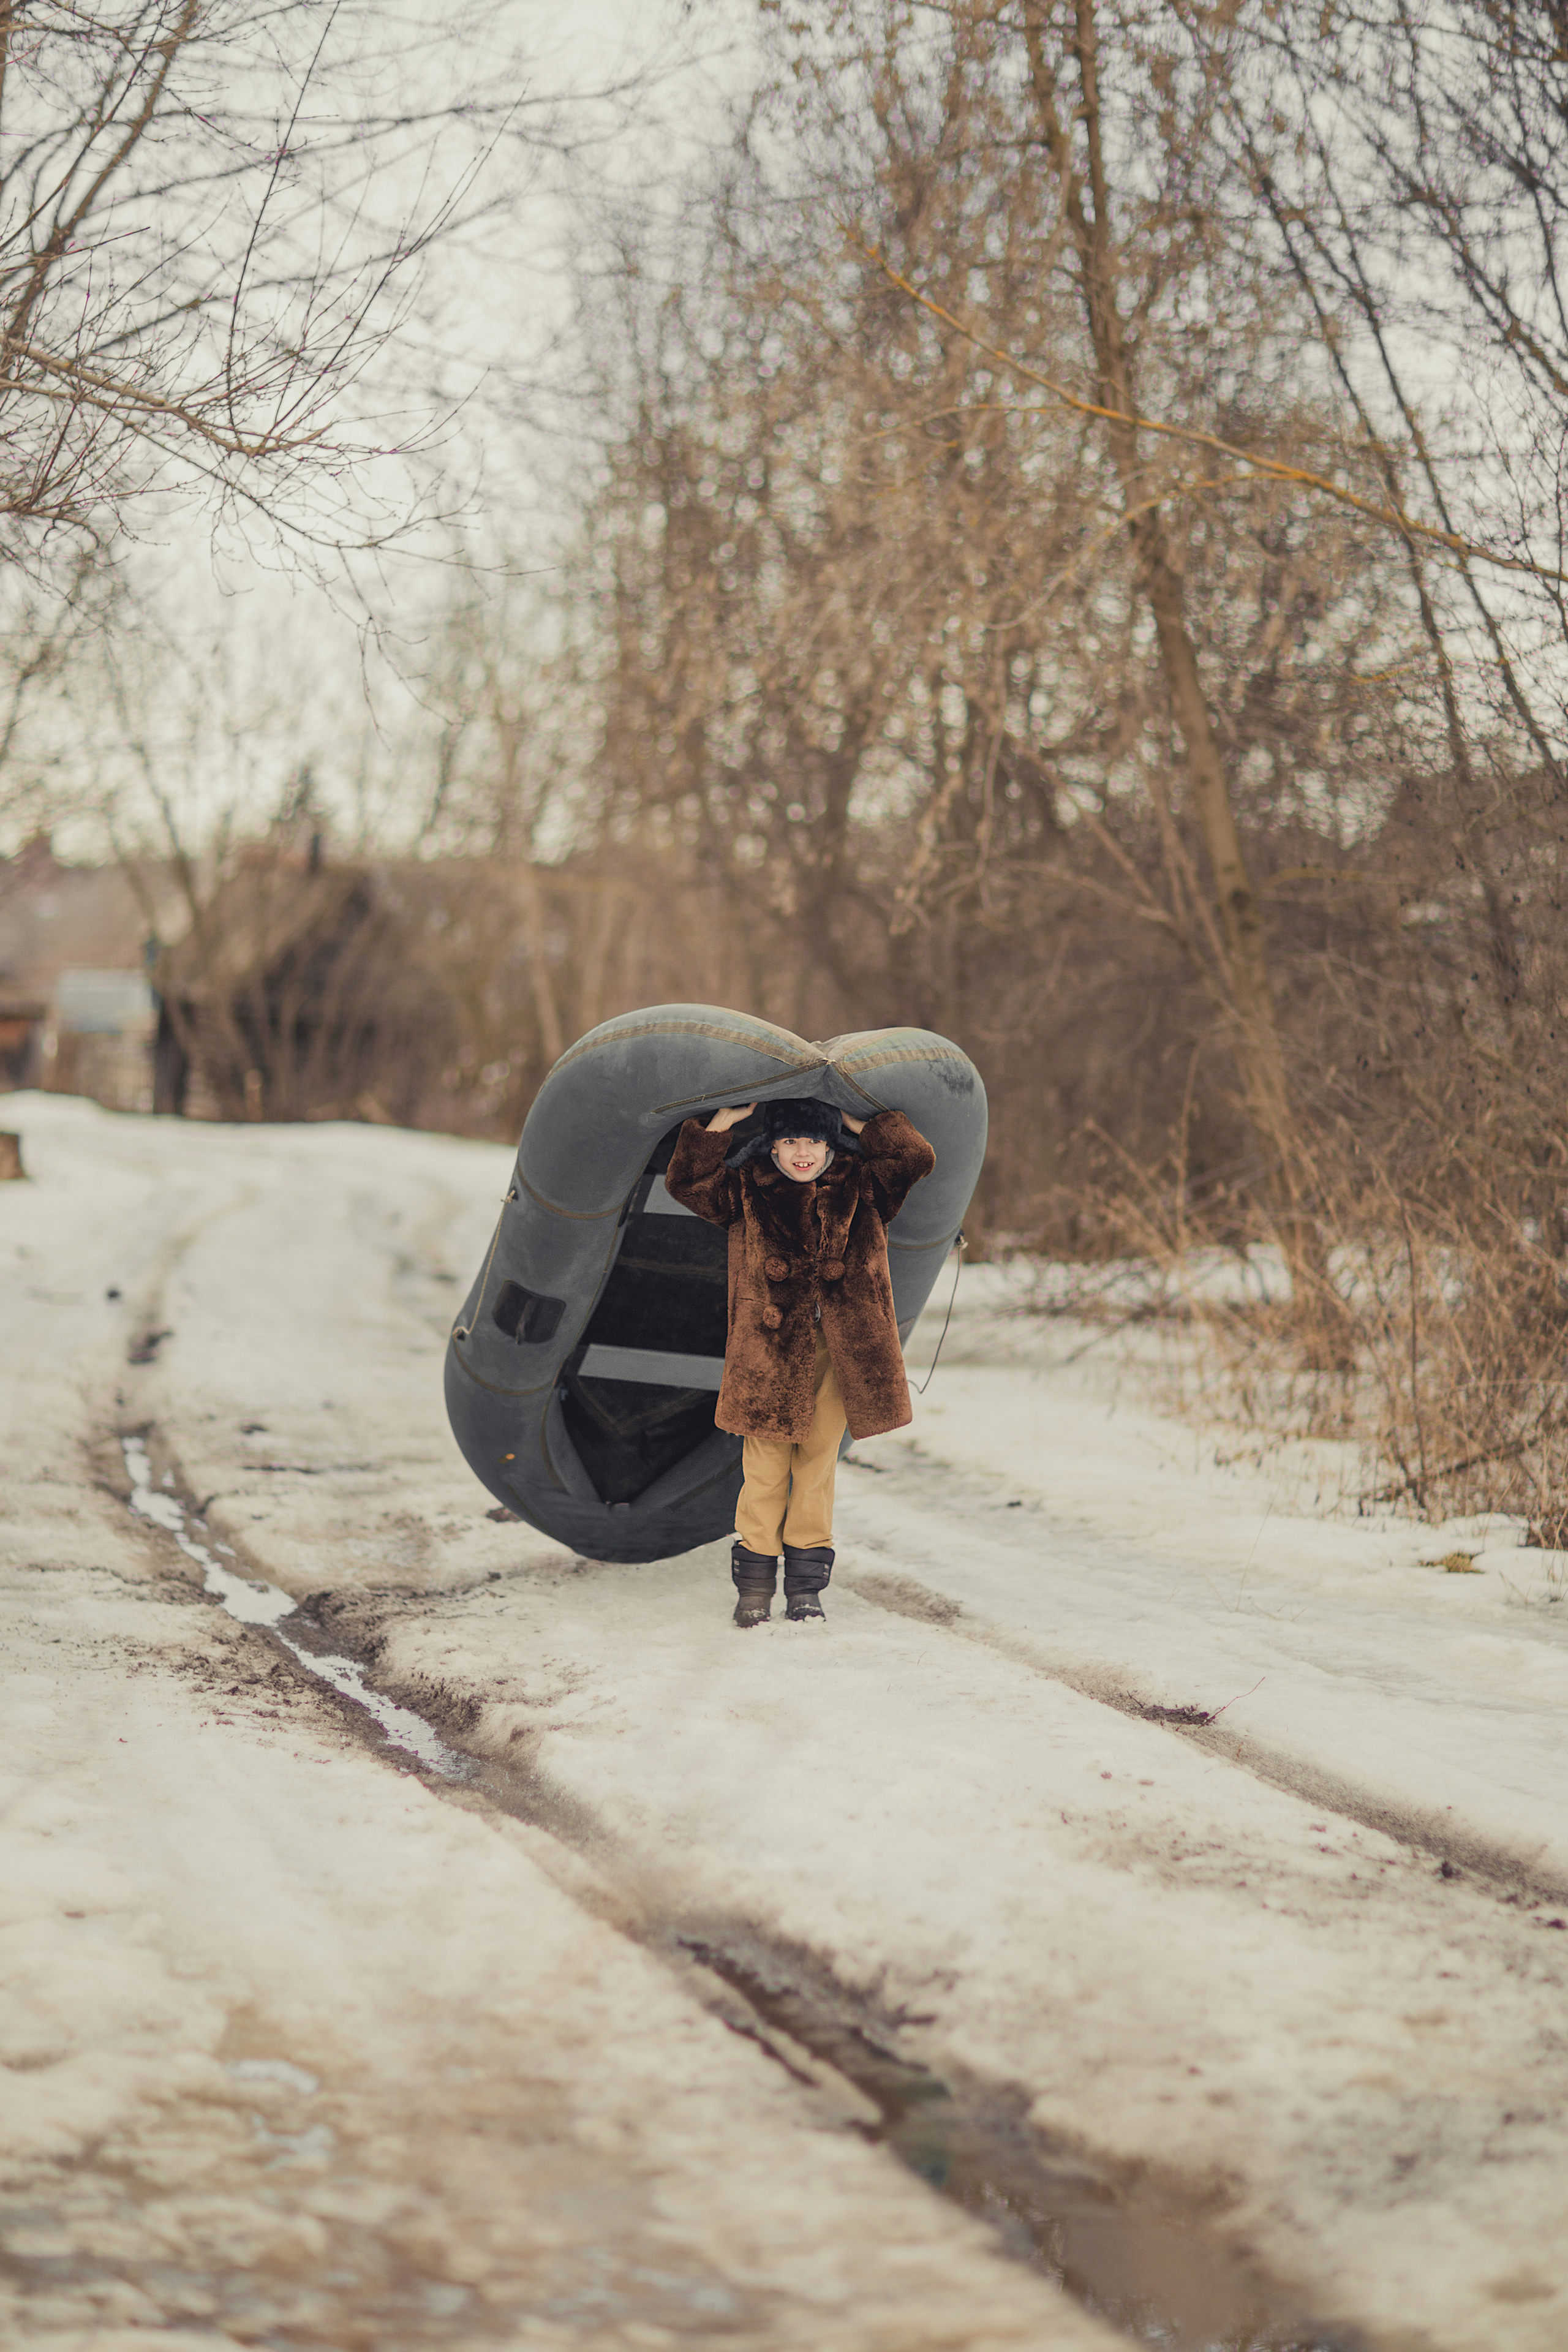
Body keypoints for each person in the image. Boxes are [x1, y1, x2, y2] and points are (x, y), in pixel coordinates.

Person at [665, 1096, 936, 1626]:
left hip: (841, 1350)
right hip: (766, 1354)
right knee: (764, 1471)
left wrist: (866, 1125)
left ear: (832, 1145)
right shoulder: (746, 1188)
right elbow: (687, 1183)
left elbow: (915, 1159)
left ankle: (806, 1589)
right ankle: (755, 1589)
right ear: (772, 1144)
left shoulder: (865, 1185)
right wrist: (720, 1127)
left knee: (816, 1467)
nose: (803, 1153)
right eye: (790, 1141)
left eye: (814, 1140)